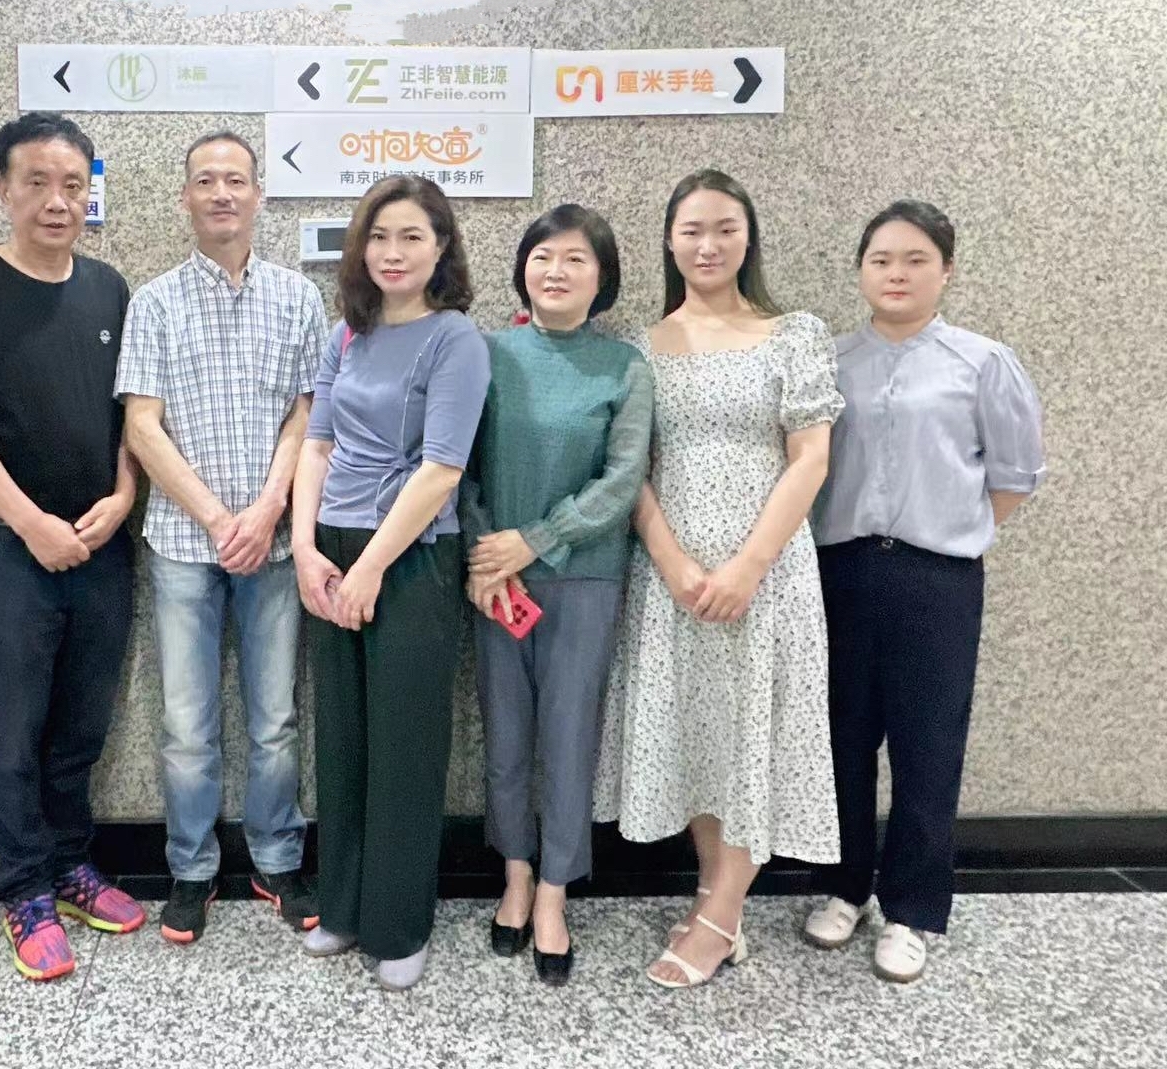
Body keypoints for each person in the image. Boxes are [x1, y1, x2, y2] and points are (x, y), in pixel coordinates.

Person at [592, 169, 845, 989]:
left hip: (764, 572)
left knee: (750, 732)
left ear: (748, 238)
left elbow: (809, 458)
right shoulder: (640, 346)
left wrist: (745, 567)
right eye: (691, 229)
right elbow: (631, 470)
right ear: (668, 241)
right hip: (670, 574)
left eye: (724, 228)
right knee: (698, 733)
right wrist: (672, 561)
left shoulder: (792, 334)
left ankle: (719, 916)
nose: (707, 245)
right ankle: (715, 896)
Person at [0, 112, 142, 983]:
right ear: (4, 188)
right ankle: (24, 888)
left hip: (103, 546)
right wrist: (32, 522)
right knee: (14, 732)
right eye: (36, 182)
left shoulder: (110, 288)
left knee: (81, 727)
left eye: (72, 185)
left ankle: (70, 865)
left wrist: (124, 496)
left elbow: (134, 414)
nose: (56, 201)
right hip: (10, 548)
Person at [803, 200, 1045, 983]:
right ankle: (844, 886)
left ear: (945, 269)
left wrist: (948, 531)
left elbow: (1013, 476)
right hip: (839, 570)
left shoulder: (981, 361)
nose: (896, 273)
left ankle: (909, 908)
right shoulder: (829, 360)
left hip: (934, 578)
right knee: (839, 738)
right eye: (880, 259)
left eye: (915, 259)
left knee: (926, 745)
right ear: (860, 270)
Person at [116, 132, 324, 944]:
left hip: (272, 543)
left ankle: (276, 858)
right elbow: (142, 425)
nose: (221, 193)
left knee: (275, 717)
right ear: (185, 197)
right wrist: (214, 516)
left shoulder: (298, 298)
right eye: (204, 180)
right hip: (181, 542)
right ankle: (191, 867)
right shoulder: (153, 301)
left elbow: (307, 414)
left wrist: (268, 508)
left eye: (235, 179)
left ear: (258, 194)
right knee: (185, 723)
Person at [292, 175, 489, 991]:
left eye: (411, 236)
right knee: (341, 740)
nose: (392, 252)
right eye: (378, 236)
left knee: (405, 744)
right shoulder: (348, 333)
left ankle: (398, 923)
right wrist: (304, 548)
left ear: (440, 247)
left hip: (409, 555)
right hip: (331, 549)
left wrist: (370, 567)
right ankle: (341, 905)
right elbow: (316, 445)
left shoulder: (455, 339)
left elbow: (441, 469)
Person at [458, 204, 652, 985]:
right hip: (495, 581)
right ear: (522, 270)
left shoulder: (624, 366)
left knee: (568, 739)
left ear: (602, 277)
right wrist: (486, 555)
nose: (556, 270)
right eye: (542, 256)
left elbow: (622, 481)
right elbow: (458, 466)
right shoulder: (485, 354)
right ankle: (513, 874)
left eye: (575, 258)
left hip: (582, 578)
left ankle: (552, 892)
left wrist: (535, 538)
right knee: (504, 735)